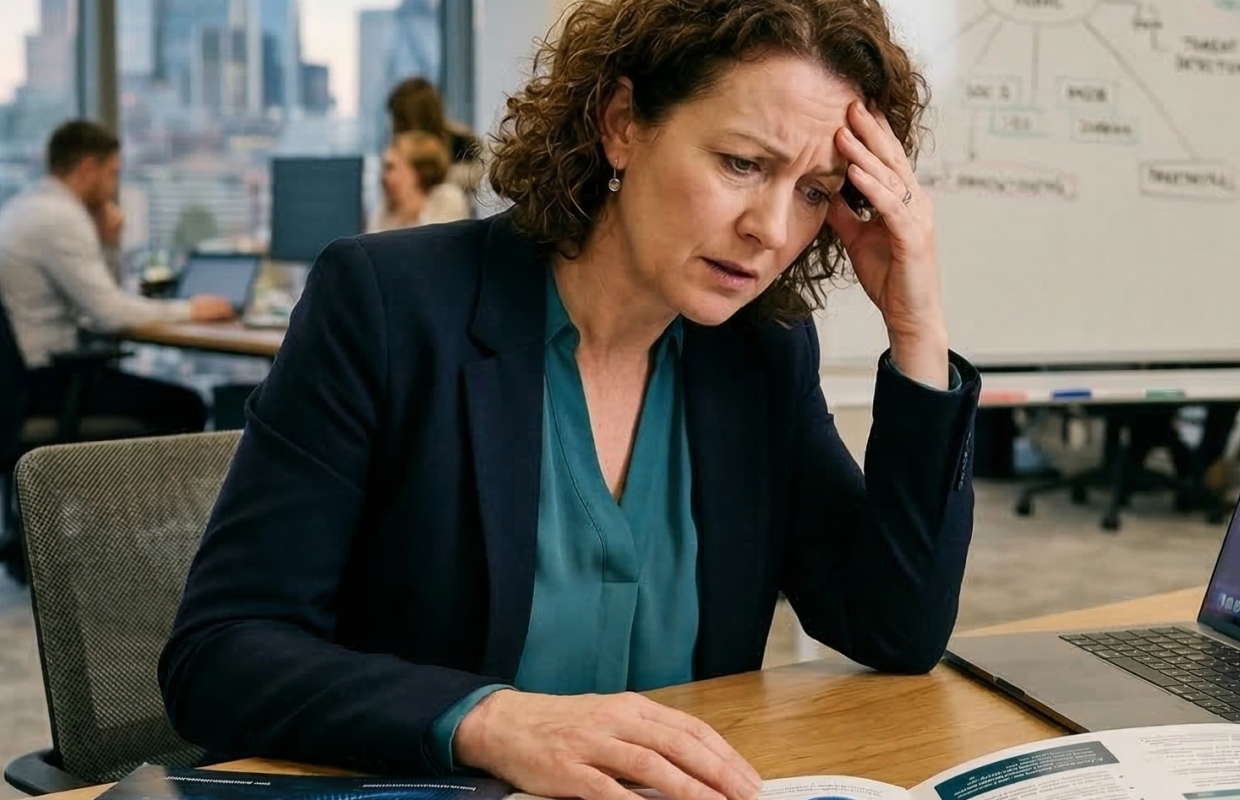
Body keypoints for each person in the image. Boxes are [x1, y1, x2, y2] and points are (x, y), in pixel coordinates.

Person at [160, 2, 980, 799]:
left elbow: (894, 628)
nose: (770, 227)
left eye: (814, 191)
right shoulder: (389, 306)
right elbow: (222, 654)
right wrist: (490, 722)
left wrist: (916, 322)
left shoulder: (759, 352)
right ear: (623, 123)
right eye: (742, 163)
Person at [0, 118, 234, 435]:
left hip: (11, 379)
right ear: (88, 169)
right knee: (186, 405)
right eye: (112, 173)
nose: (113, 186)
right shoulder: (62, 219)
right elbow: (110, 314)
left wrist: (109, 245)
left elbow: (103, 299)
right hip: (44, 381)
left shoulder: (21, 207)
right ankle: (125, 485)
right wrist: (192, 309)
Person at [388, 76, 484, 199]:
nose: (396, 128)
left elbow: (479, 177)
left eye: (400, 119)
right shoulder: (398, 151)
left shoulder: (463, 141)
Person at [370, 130, 472, 233]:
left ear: (418, 171)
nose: (383, 177)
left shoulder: (446, 198)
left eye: (390, 168)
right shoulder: (385, 210)